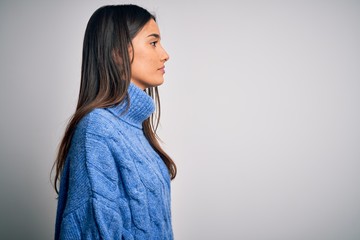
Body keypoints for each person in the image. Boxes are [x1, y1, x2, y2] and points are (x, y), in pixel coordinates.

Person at [52, 4, 177, 239]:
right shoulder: (97, 131)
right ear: (118, 53)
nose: (165, 54)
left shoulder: (134, 129)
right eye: (153, 42)